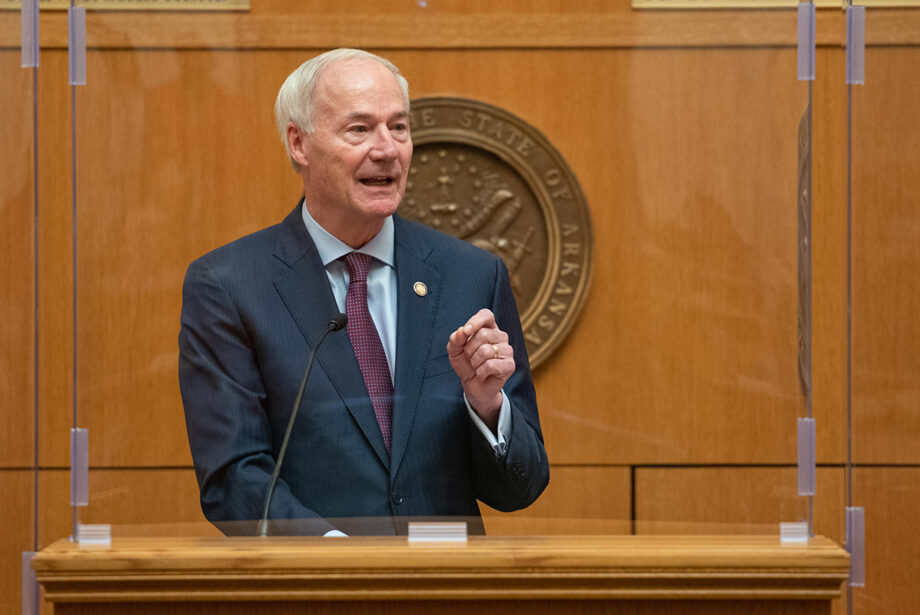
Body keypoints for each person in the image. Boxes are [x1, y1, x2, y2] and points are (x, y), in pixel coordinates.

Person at [178, 48, 549, 536]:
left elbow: (521, 488)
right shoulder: (228, 285)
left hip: (447, 587)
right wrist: (341, 561)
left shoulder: (471, 275)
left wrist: (487, 406)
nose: (387, 148)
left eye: (399, 127)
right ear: (299, 143)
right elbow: (233, 478)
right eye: (360, 129)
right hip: (314, 590)